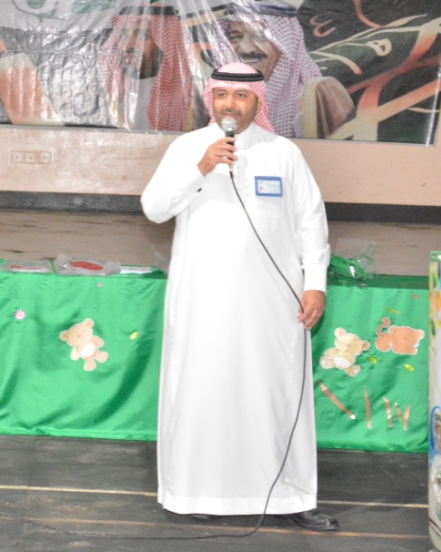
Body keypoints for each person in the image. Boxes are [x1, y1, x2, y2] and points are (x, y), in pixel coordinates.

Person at [141, 62, 338, 532]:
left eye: (241, 96)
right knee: (205, 392)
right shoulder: (188, 148)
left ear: (258, 102)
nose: (230, 104)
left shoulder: (284, 153)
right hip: (203, 301)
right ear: (212, 98)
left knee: (276, 393)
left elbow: (310, 221)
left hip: (273, 305)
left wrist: (315, 283)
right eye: (222, 95)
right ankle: (197, 492)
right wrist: (202, 167)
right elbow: (154, 208)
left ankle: (292, 496)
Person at [213, 3, 354, 139]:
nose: (246, 49)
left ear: (285, 44)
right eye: (235, 37)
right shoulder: (220, 99)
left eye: (260, 36)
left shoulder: (318, 93)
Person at [96, 4, 194, 132]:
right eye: (123, 35)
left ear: (167, 44)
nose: (128, 45)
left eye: (142, 36)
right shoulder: (108, 96)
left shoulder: (189, 100)